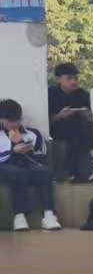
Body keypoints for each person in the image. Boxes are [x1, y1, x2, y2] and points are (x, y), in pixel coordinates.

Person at [0, 99, 62, 231]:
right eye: (9, 121)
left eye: (16, 120)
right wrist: (12, 150)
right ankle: (19, 216)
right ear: (2, 120)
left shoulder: (32, 133)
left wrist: (25, 146)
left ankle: (49, 215)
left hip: (28, 165)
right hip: (5, 167)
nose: (13, 124)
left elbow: (43, 152)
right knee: (17, 173)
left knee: (44, 172)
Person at [47, 62, 93, 182]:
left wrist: (87, 115)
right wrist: (59, 116)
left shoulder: (83, 95)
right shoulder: (49, 94)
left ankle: (82, 171)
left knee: (80, 122)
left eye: (76, 78)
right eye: (69, 79)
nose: (73, 82)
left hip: (80, 133)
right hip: (58, 132)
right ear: (59, 79)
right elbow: (45, 120)